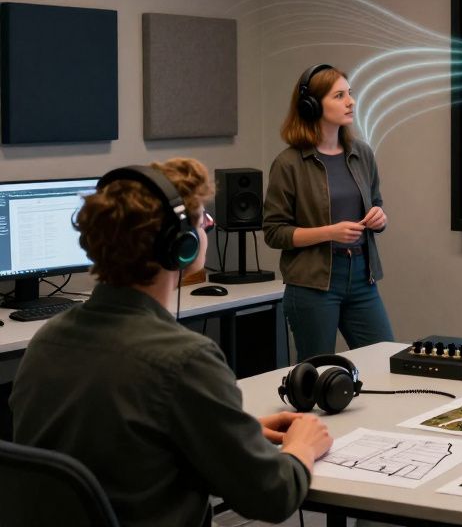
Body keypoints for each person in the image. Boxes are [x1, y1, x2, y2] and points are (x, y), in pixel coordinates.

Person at [11, 159, 333, 525]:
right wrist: (302, 446)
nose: (207, 227)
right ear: (181, 244)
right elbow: (273, 497)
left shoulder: (47, 341)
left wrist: (229, 434)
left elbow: (116, 445)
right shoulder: (184, 359)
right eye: (202, 220)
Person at [265, 64, 394, 361]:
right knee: (318, 372)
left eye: (350, 93)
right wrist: (329, 233)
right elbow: (274, 232)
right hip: (313, 283)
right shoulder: (288, 164)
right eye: (339, 96)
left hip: (362, 276)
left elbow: (375, 201)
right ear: (311, 105)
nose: (351, 102)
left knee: (385, 361)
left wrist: (379, 217)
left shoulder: (362, 153)